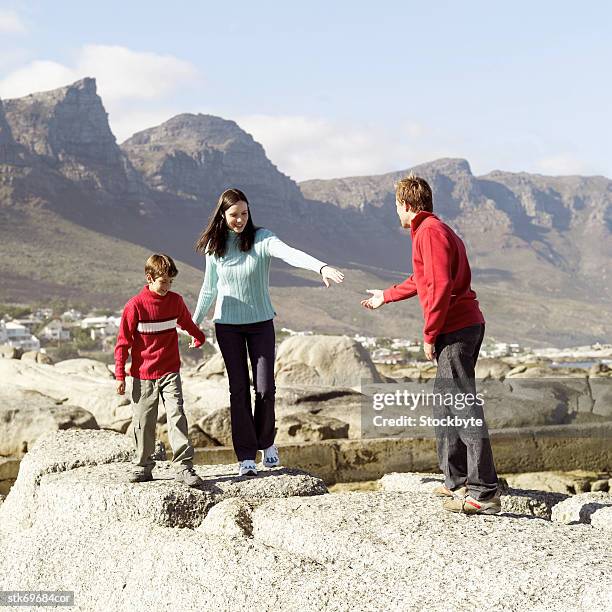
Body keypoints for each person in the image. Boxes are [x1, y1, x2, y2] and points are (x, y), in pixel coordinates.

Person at [361, 175, 500, 515]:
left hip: (457, 328)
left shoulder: (431, 233)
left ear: (406, 205)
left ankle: (485, 493)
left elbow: (438, 287)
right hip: (456, 327)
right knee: (445, 405)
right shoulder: (428, 231)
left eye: (396, 206)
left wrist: (429, 334)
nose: (396, 212)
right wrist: (386, 296)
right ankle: (457, 481)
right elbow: (421, 279)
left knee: (464, 406)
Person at [193, 188, 344, 477]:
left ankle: (267, 443)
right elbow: (208, 288)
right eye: (234, 215)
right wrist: (194, 322)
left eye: (244, 214)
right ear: (223, 216)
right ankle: (246, 456)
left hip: (261, 323)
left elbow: (290, 254)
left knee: (264, 389)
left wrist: (319, 267)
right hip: (227, 326)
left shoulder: (261, 238)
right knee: (238, 391)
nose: (240, 220)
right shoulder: (215, 247)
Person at [115, 253, 207, 487]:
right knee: (144, 421)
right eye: (163, 281)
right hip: (142, 374)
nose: (167, 286)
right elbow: (122, 343)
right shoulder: (134, 306)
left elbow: (186, 322)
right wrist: (120, 376)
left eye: (170, 282)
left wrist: (199, 337)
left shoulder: (175, 301)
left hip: (169, 371)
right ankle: (143, 466)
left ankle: (184, 467)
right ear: (149, 278)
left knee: (177, 415)